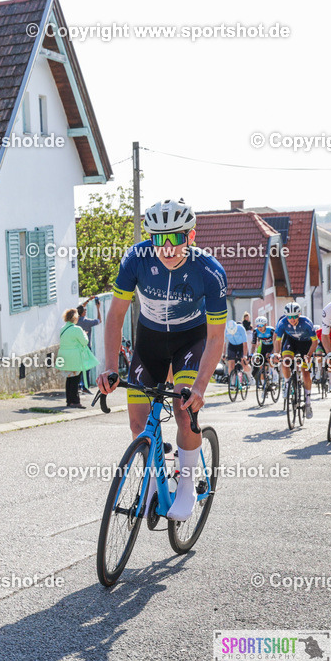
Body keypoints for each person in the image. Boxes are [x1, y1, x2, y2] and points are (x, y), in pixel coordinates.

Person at [98, 198, 227, 522]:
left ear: (191, 236)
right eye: (158, 238)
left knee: (184, 414)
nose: (166, 247)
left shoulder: (209, 271)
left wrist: (199, 387)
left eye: (175, 239)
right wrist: (111, 367)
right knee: (138, 425)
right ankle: (154, 484)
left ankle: (186, 487)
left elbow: (215, 338)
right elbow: (115, 316)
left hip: (191, 341)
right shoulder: (135, 260)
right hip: (151, 341)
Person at [275, 302, 316, 419]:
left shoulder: (307, 322)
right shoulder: (282, 322)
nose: (292, 319)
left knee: (305, 373)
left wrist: (309, 355)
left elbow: (315, 342)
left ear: (299, 315)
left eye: (294, 316)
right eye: (289, 317)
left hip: (306, 344)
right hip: (291, 342)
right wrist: (277, 353)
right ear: (286, 316)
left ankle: (308, 403)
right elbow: (277, 340)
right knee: (285, 360)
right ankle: (287, 383)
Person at [58, 308, 99, 408]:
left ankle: (69, 400)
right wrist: (84, 334)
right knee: (76, 379)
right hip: (74, 356)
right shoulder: (77, 329)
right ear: (75, 318)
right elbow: (85, 341)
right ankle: (75, 401)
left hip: (64, 356)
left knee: (69, 379)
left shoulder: (62, 328)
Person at [76, 296, 102, 393]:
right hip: (86, 348)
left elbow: (79, 308)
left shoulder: (76, 320)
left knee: (78, 367)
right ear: (83, 313)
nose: (86, 311)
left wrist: (88, 300)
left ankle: (79, 385)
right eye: (85, 311)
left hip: (77, 347)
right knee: (87, 367)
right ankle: (85, 387)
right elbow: (99, 320)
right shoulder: (87, 322)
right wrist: (98, 308)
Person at [224, 320, 251, 386]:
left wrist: (245, 355)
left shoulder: (241, 328)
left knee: (244, 362)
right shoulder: (226, 330)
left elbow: (245, 343)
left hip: (241, 345)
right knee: (231, 364)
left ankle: (250, 377)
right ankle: (232, 382)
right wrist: (223, 354)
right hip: (232, 345)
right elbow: (224, 343)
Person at [251, 316, 275, 384]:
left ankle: (274, 373)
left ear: (265, 325)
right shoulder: (256, 331)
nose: (260, 327)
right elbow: (253, 344)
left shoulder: (271, 330)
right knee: (262, 366)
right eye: (258, 325)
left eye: (261, 325)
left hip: (272, 346)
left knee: (270, 359)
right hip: (264, 347)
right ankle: (263, 385)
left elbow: (275, 343)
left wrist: (272, 353)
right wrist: (252, 354)